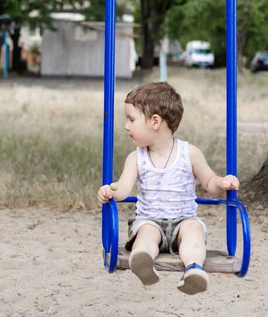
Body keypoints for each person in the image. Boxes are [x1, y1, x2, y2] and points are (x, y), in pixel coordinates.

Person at [97, 82, 239, 295]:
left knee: (193, 231)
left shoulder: (189, 153)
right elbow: (124, 189)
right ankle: (143, 262)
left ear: (155, 121)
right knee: (146, 234)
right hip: (149, 220)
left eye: (131, 119)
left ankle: (193, 269)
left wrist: (223, 183)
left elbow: (210, 182)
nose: (126, 126)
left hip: (183, 220)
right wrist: (110, 191)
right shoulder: (136, 158)